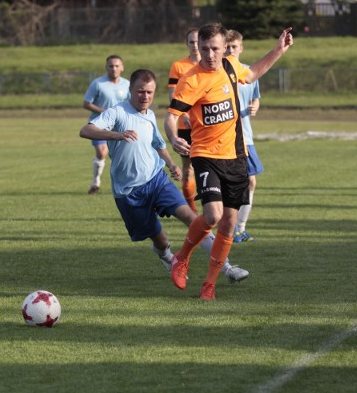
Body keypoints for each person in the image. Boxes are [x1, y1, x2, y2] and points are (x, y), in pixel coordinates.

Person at [79, 69, 249, 283]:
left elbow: (158, 144)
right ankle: (168, 258)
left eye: (150, 92)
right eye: (140, 91)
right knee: (159, 239)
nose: (145, 97)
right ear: (130, 90)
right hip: (129, 192)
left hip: (156, 180)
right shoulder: (117, 112)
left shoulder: (149, 115)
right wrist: (116, 135)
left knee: (192, 218)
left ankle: (227, 268)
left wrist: (171, 164)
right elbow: (86, 130)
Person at [164, 22, 294, 300]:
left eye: (214, 48)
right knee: (213, 215)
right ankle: (182, 257)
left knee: (229, 224)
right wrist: (173, 138)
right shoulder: (191, 79)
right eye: (203, 48)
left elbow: (255, 72)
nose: (209, 54)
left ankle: (209, 284)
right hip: (205, 155)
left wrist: (278, 50)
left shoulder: (232, 67)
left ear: (225, 48)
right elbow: (171, 116)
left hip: (235, 156)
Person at [225, 29, 262, 243]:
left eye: (234, 47)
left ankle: (240, 228)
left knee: (250, 181)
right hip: (223, 138)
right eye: (227, 47)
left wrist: (255, 106)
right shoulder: (218, 73)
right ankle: (226, 227)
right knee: (226, 184)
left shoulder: (249, 73)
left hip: (245, 137)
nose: (230, 50)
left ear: (241, 48)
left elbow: (256, 97)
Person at [83, 55, 130, 195]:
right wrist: (104, 112)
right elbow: (86, 103)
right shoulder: (98, 84)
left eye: (117, 66)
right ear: (106, 68)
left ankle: (124, 185)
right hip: (99, 125)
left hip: (120, 126)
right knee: (102, 152)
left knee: (123, 156)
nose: (114, 69)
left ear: (122, 67)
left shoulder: (127, 84)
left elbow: (131, 104)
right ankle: (96, 181)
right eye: (111, 66)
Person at [168, 28, 201, 213]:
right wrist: (183, 114)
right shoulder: (179, 66)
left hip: (206, 125)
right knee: (188, 168)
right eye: (191, 42)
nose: (195, 46)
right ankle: (192, 211)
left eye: (198, 42)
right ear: (186, 44)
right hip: (185, 125)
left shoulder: (212, 64)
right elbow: (172, 95)